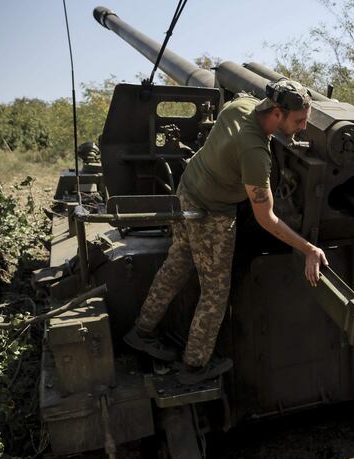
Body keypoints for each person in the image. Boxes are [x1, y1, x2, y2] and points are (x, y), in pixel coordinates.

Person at [124, 79, 328, 385]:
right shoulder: (255, 154)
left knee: (177, 263)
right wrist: (308, 249)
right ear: (276, 113)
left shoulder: (239, 106)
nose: (301, 127)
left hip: (186, 192)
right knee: (216, 293)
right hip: (211, 214)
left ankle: (141, 331)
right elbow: (267, 219)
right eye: (298, 121)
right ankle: (194, 366)